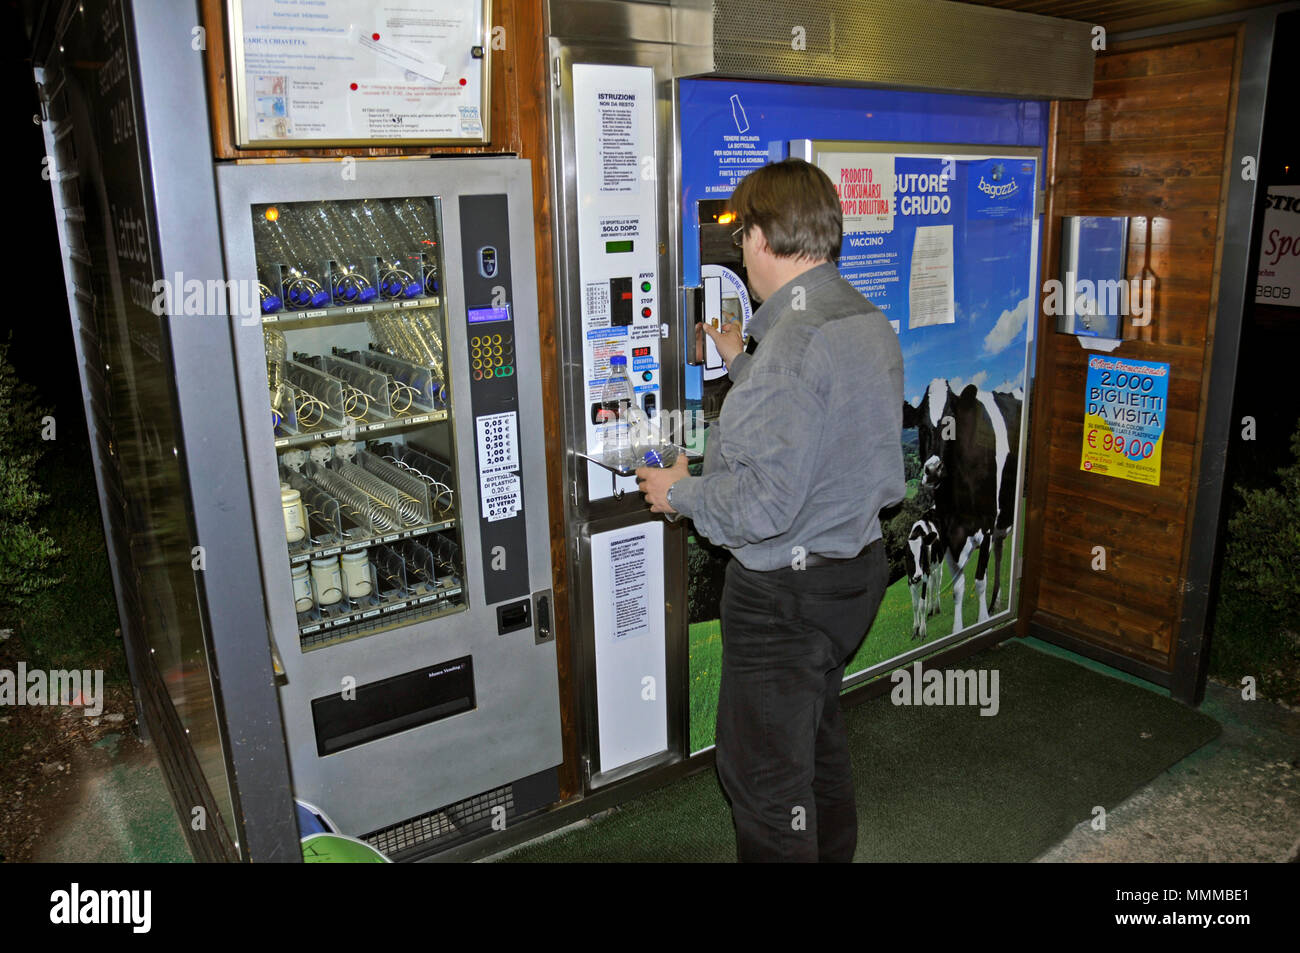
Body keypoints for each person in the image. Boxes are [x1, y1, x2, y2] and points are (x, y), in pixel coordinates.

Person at [636, 158, 904, 862]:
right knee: (816, 749)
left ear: (758, 238)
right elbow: (820, 426)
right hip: (852, 574)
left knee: (761, 780)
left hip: (785, 598)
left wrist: (679, 494)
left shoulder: (793, 345)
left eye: (742, 233)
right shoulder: (859, 317)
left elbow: (763, 503)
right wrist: (742, 359)